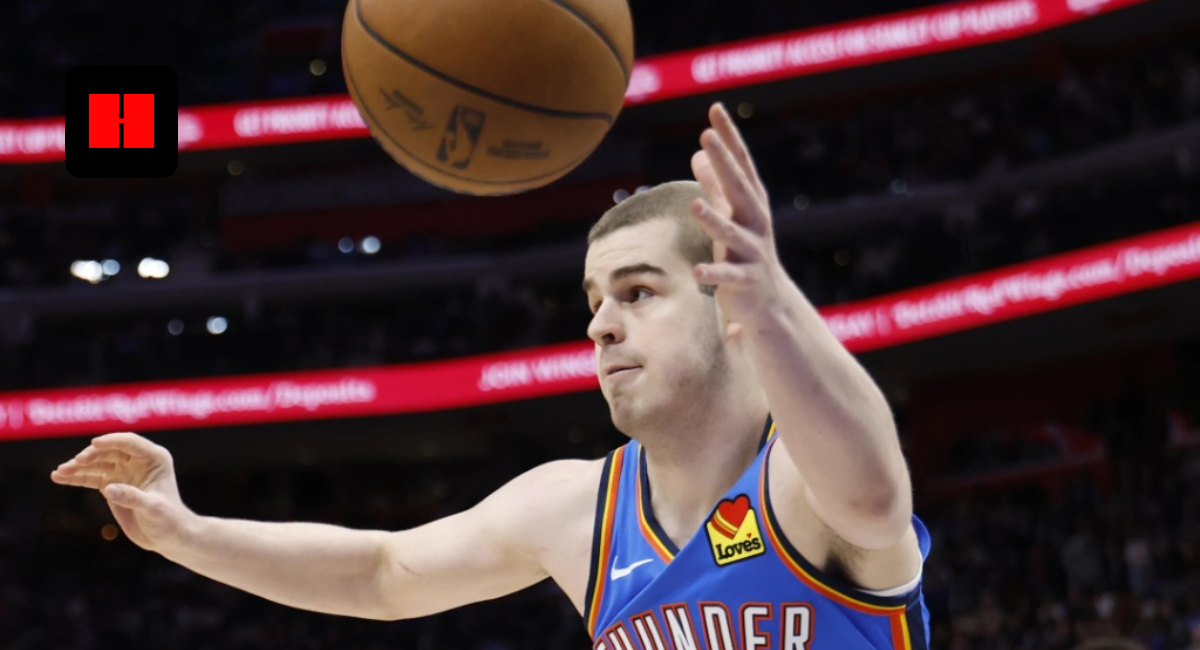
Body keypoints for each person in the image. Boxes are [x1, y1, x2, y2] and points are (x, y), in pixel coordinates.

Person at [50, 103, 931, 649]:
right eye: (594, 299)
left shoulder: (800, 482)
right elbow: (383, 573)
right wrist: (186, 534)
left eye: (638, 291)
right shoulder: (577, 509)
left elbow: (872, 489)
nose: (600, 323)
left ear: (727, 305)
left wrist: (775, 307)